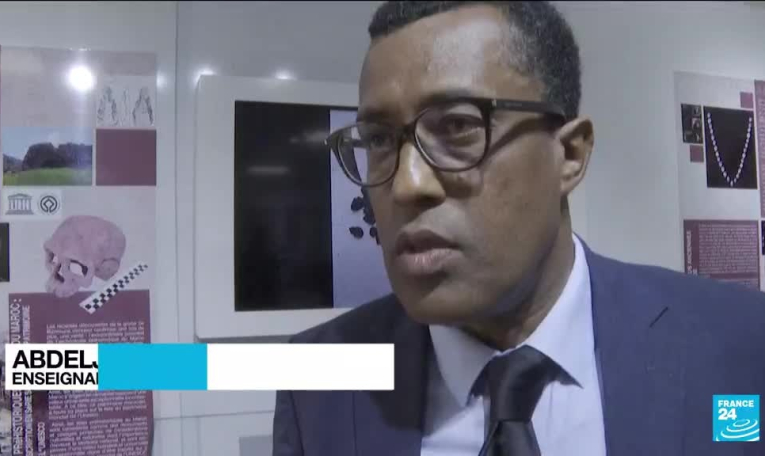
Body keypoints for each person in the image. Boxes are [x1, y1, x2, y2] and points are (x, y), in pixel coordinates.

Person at [273, 2, 765, 455]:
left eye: (458, 128)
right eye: (380, 140)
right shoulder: (316, 377)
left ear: (569, 155)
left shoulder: (738, 339)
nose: (406, 185)